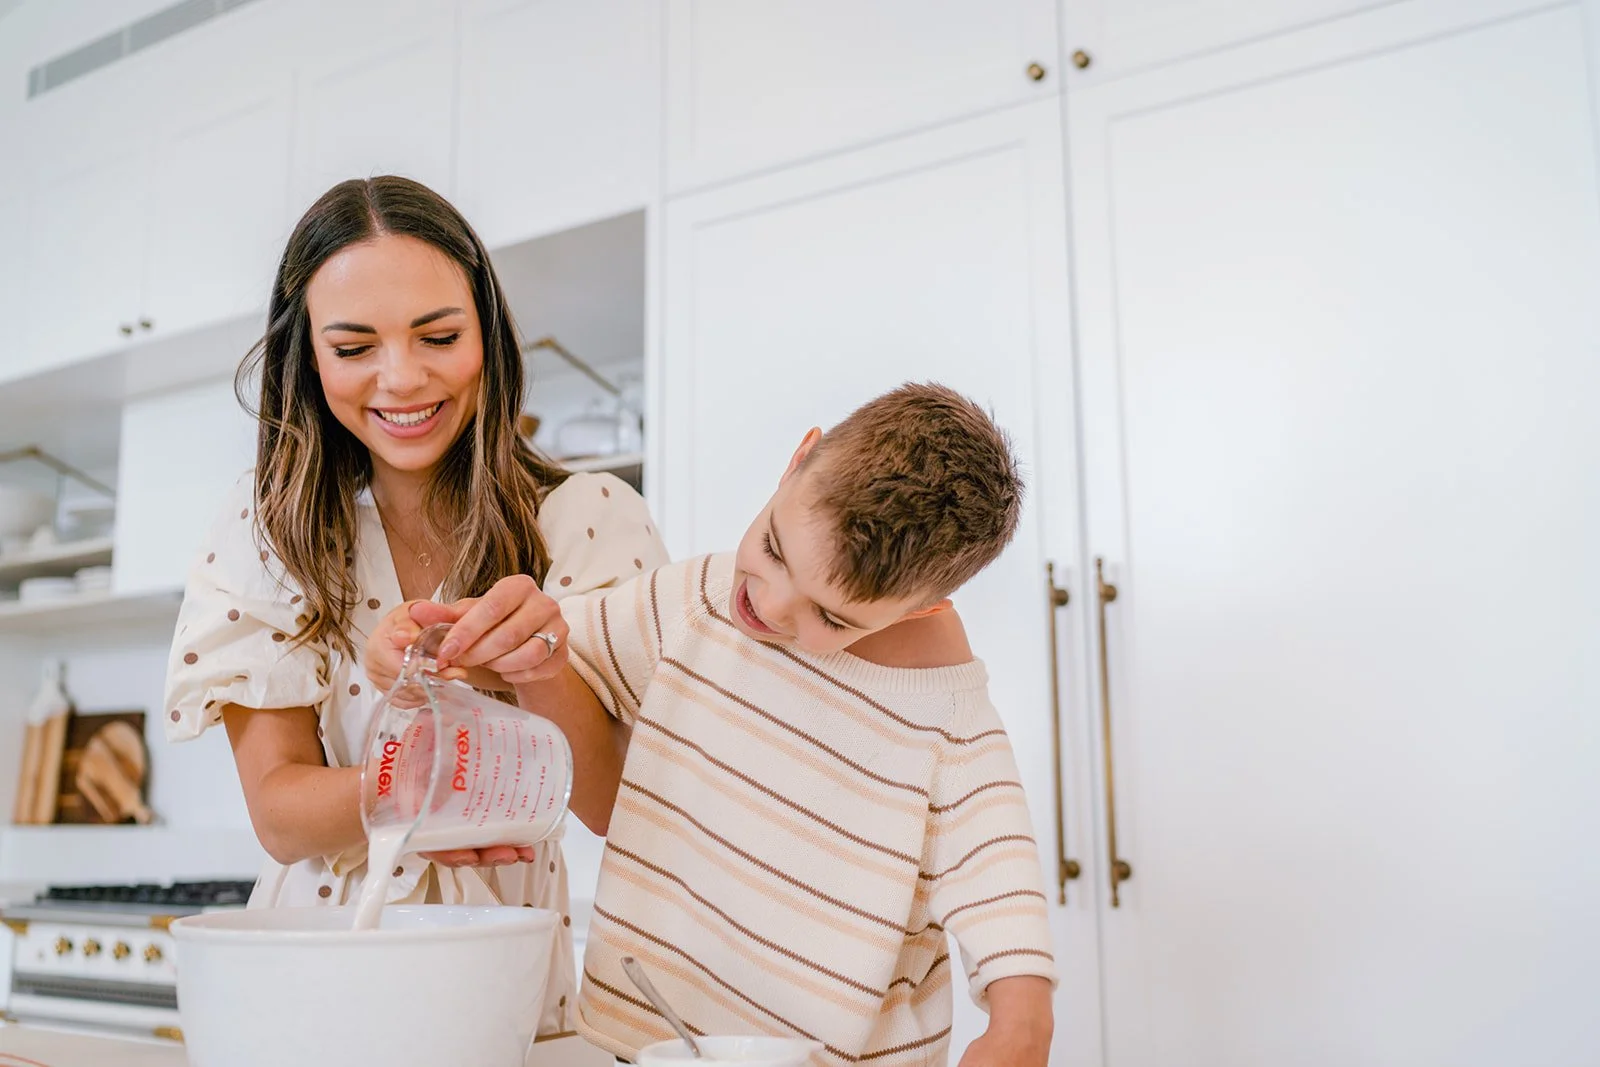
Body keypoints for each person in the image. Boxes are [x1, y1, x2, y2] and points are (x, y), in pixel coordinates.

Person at [380, 383, 1056, 1066]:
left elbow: (1004, 907)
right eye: (773, 548)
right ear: (799, 459)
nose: (767, 602)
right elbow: (556, 653)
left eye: (830, 617)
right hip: (656, 1039)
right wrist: (435, 648)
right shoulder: (699, 599)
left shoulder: (950, 726)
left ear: (919, 608)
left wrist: (1017, 1029)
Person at [162, 175, 668, 1043]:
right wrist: (427, 789)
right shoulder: (270, 530)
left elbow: (616, 802)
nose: (402, 378)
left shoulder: (587, 519)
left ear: (488, 334)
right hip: (320, 964)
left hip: (505, 976)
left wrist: (538, 668)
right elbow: (281, 814)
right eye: (354, 346)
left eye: (439, 335)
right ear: (309, 360)